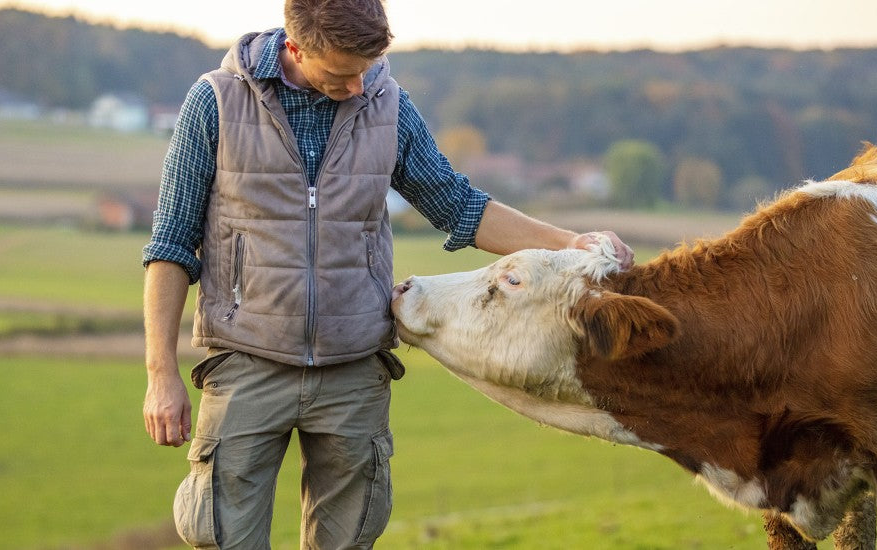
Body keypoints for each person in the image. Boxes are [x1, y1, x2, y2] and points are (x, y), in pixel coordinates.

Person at [141, 1, 634, 548]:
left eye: (367, 70)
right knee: (224, 538)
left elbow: (459, 205)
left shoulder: (387, 103)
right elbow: (170, 246)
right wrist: (161, 375)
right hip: (246, 362)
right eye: (342, 73)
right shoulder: (213, 102)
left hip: (354, 369)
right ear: (295, 47)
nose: (357, 87)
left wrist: (569, 243)